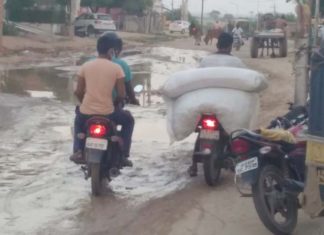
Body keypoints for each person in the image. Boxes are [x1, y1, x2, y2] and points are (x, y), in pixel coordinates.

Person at [70, 35, 134, 167]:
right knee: (129, 121)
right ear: (112, 51)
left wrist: (84, 103)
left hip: (86, 112)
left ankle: (78, 151)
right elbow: (122, 94)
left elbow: (78, 92)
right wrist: (115, 103)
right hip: (108, 112)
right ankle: (124, 154)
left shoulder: (85, 66)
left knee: (78, 121)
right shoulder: (117, 68)